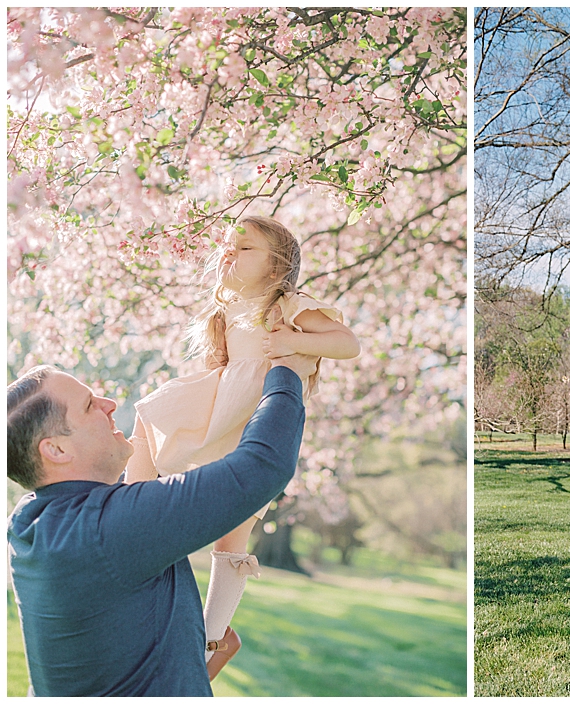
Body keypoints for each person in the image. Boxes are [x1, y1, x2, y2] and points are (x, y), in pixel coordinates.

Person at [123, 215, 361, 672]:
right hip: (223, 396)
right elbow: (227, 358)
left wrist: (293, 339)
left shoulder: (286, 302)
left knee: (234, 534)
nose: (230, 253)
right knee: (150, 414)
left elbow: (347, 343)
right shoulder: (228, 307)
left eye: (246, 248)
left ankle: (211, 640)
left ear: (276, 268)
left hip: (254, 410)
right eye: (228, 247)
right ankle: (132, 514)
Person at [7, 352, 318, 696]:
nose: (109, 403)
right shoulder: (108, 527)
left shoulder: (27, 523)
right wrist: (286, 370)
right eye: (88, 405)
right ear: (56, 450)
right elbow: (261, 466)